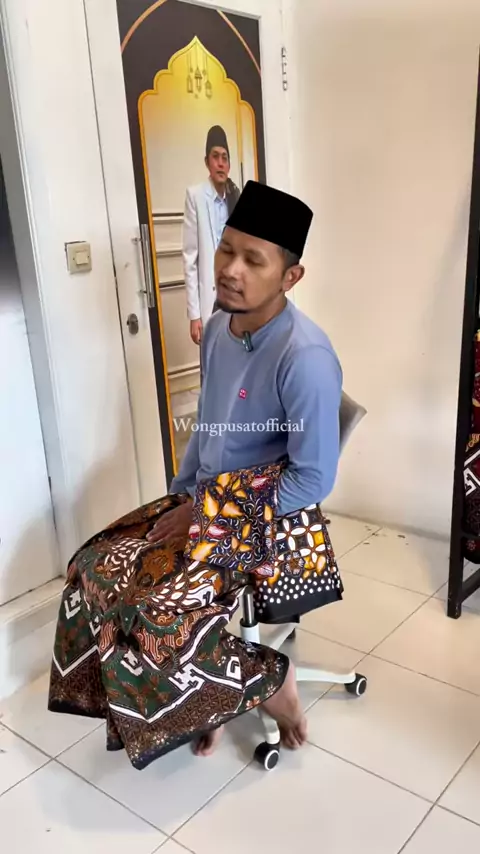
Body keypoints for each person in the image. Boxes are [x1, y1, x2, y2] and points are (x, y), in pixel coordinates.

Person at [48, 181, 342, 768]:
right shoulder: (218, 331)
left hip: (272, 522)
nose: (229, 269)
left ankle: (267, 682)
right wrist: (177, 498)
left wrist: (206, 516)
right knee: (91, 568)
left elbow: (313, 480)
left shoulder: (304, 357)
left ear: (290, 276)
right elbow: (208, 426)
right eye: (226, 249)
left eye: (253, 260)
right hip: (204, 501)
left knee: (153, 615)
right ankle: (203, 703)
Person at [183, 125, 240, 346]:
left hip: (233, 295)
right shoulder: (195, 196)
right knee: (210, 357)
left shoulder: (236, 199)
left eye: (225, 158)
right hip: (210, 299)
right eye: (215, 157)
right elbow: (190, 259)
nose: (220, 163)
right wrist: (194, 315)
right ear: (207, 162)